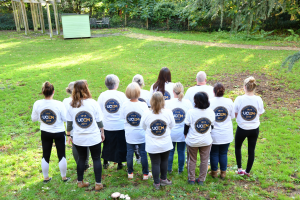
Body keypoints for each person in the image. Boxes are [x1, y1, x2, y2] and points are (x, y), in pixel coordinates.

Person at [66, 80, 105, 190]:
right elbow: (99, 121)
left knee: (81, 159)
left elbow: (69, 123)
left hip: (79, 137)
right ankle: (98, 184)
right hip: (93, 136)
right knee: (96, 158)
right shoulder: (93, 103)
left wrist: (68, 136)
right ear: (86, 89)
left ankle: (80, 182)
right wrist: (102, 132)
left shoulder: (71, 105)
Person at [31, 81, 69, 183]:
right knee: (62, 154)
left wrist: (42, 118)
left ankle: (46, 177)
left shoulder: (37, 103)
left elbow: (34, 119)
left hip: (45, 132)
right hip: (59, 132)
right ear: (53, 92)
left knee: (45, 154)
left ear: (43, 92)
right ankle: (64, 177)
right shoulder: (59, 104)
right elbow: (65, 118)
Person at [141, 92, 175, 190]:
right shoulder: (168, 112)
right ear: (163, 101)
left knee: (155, 163)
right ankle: (163, 179)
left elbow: (143, 126)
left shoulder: (146, 113)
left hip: (152, 143)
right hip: (165, 142)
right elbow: (172, 125)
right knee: (164, 161)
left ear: (151, 101)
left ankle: (156, 183)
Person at [234, 76, 265, 177]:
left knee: (238, 147)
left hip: (242, 128)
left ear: (244, 87)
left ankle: (239, 169)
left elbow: (235, 113)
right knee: (251, 150)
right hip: (254, 129)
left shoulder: (239, 99)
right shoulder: (258, 99)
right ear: (254, 88)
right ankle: (247, 172)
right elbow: (259, 113)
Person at [120, 82, 151, 180]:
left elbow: (122, 117)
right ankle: (145, 174)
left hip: (130, 134)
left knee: (129, 153)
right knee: (143, 153)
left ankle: (130, 173)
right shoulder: (143, 105)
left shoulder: (124, 105)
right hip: (141, 133)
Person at [97, 74, 128, 170]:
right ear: (116, 84)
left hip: (107, 125)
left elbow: (99, 110)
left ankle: (105, 162)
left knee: (107, 144)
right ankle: (119, 163)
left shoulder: (102, 95)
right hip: (119, 125)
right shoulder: (121, 95)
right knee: (120, 145)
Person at [184, 92, 215, 185]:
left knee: (192, 160)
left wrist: (185, 135)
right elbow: (211, 126)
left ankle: (191, 179)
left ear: (195, 101)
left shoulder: (191, 112)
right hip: (206, 140)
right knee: (204, 160)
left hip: (192, 140)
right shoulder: (211, 112)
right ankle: (201, 180)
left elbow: (186, 126)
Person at [165, 82, 193, 174]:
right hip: (183, 132)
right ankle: (180, 170)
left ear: (173, 91)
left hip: (171, 132)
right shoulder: (188, 103)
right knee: (181, 151)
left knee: (171, 152)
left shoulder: (168, 103)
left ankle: (169, 170)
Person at [209, 83, 235, 179]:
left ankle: (214, 172)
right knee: (224, 153)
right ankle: (223, 173)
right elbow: (232, 116)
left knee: (214, 153)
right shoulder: (229, 101)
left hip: (214, 133)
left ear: (213, 92)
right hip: (226, 133)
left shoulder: (210, 102)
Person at [63, 81, 90, 170]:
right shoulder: (81, 101)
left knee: (75, 144)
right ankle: (85, 163)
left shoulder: (65, 101)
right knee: (86, 144)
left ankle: (78, 163)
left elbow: (64, 116)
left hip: (71, 127)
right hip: (82, 124)